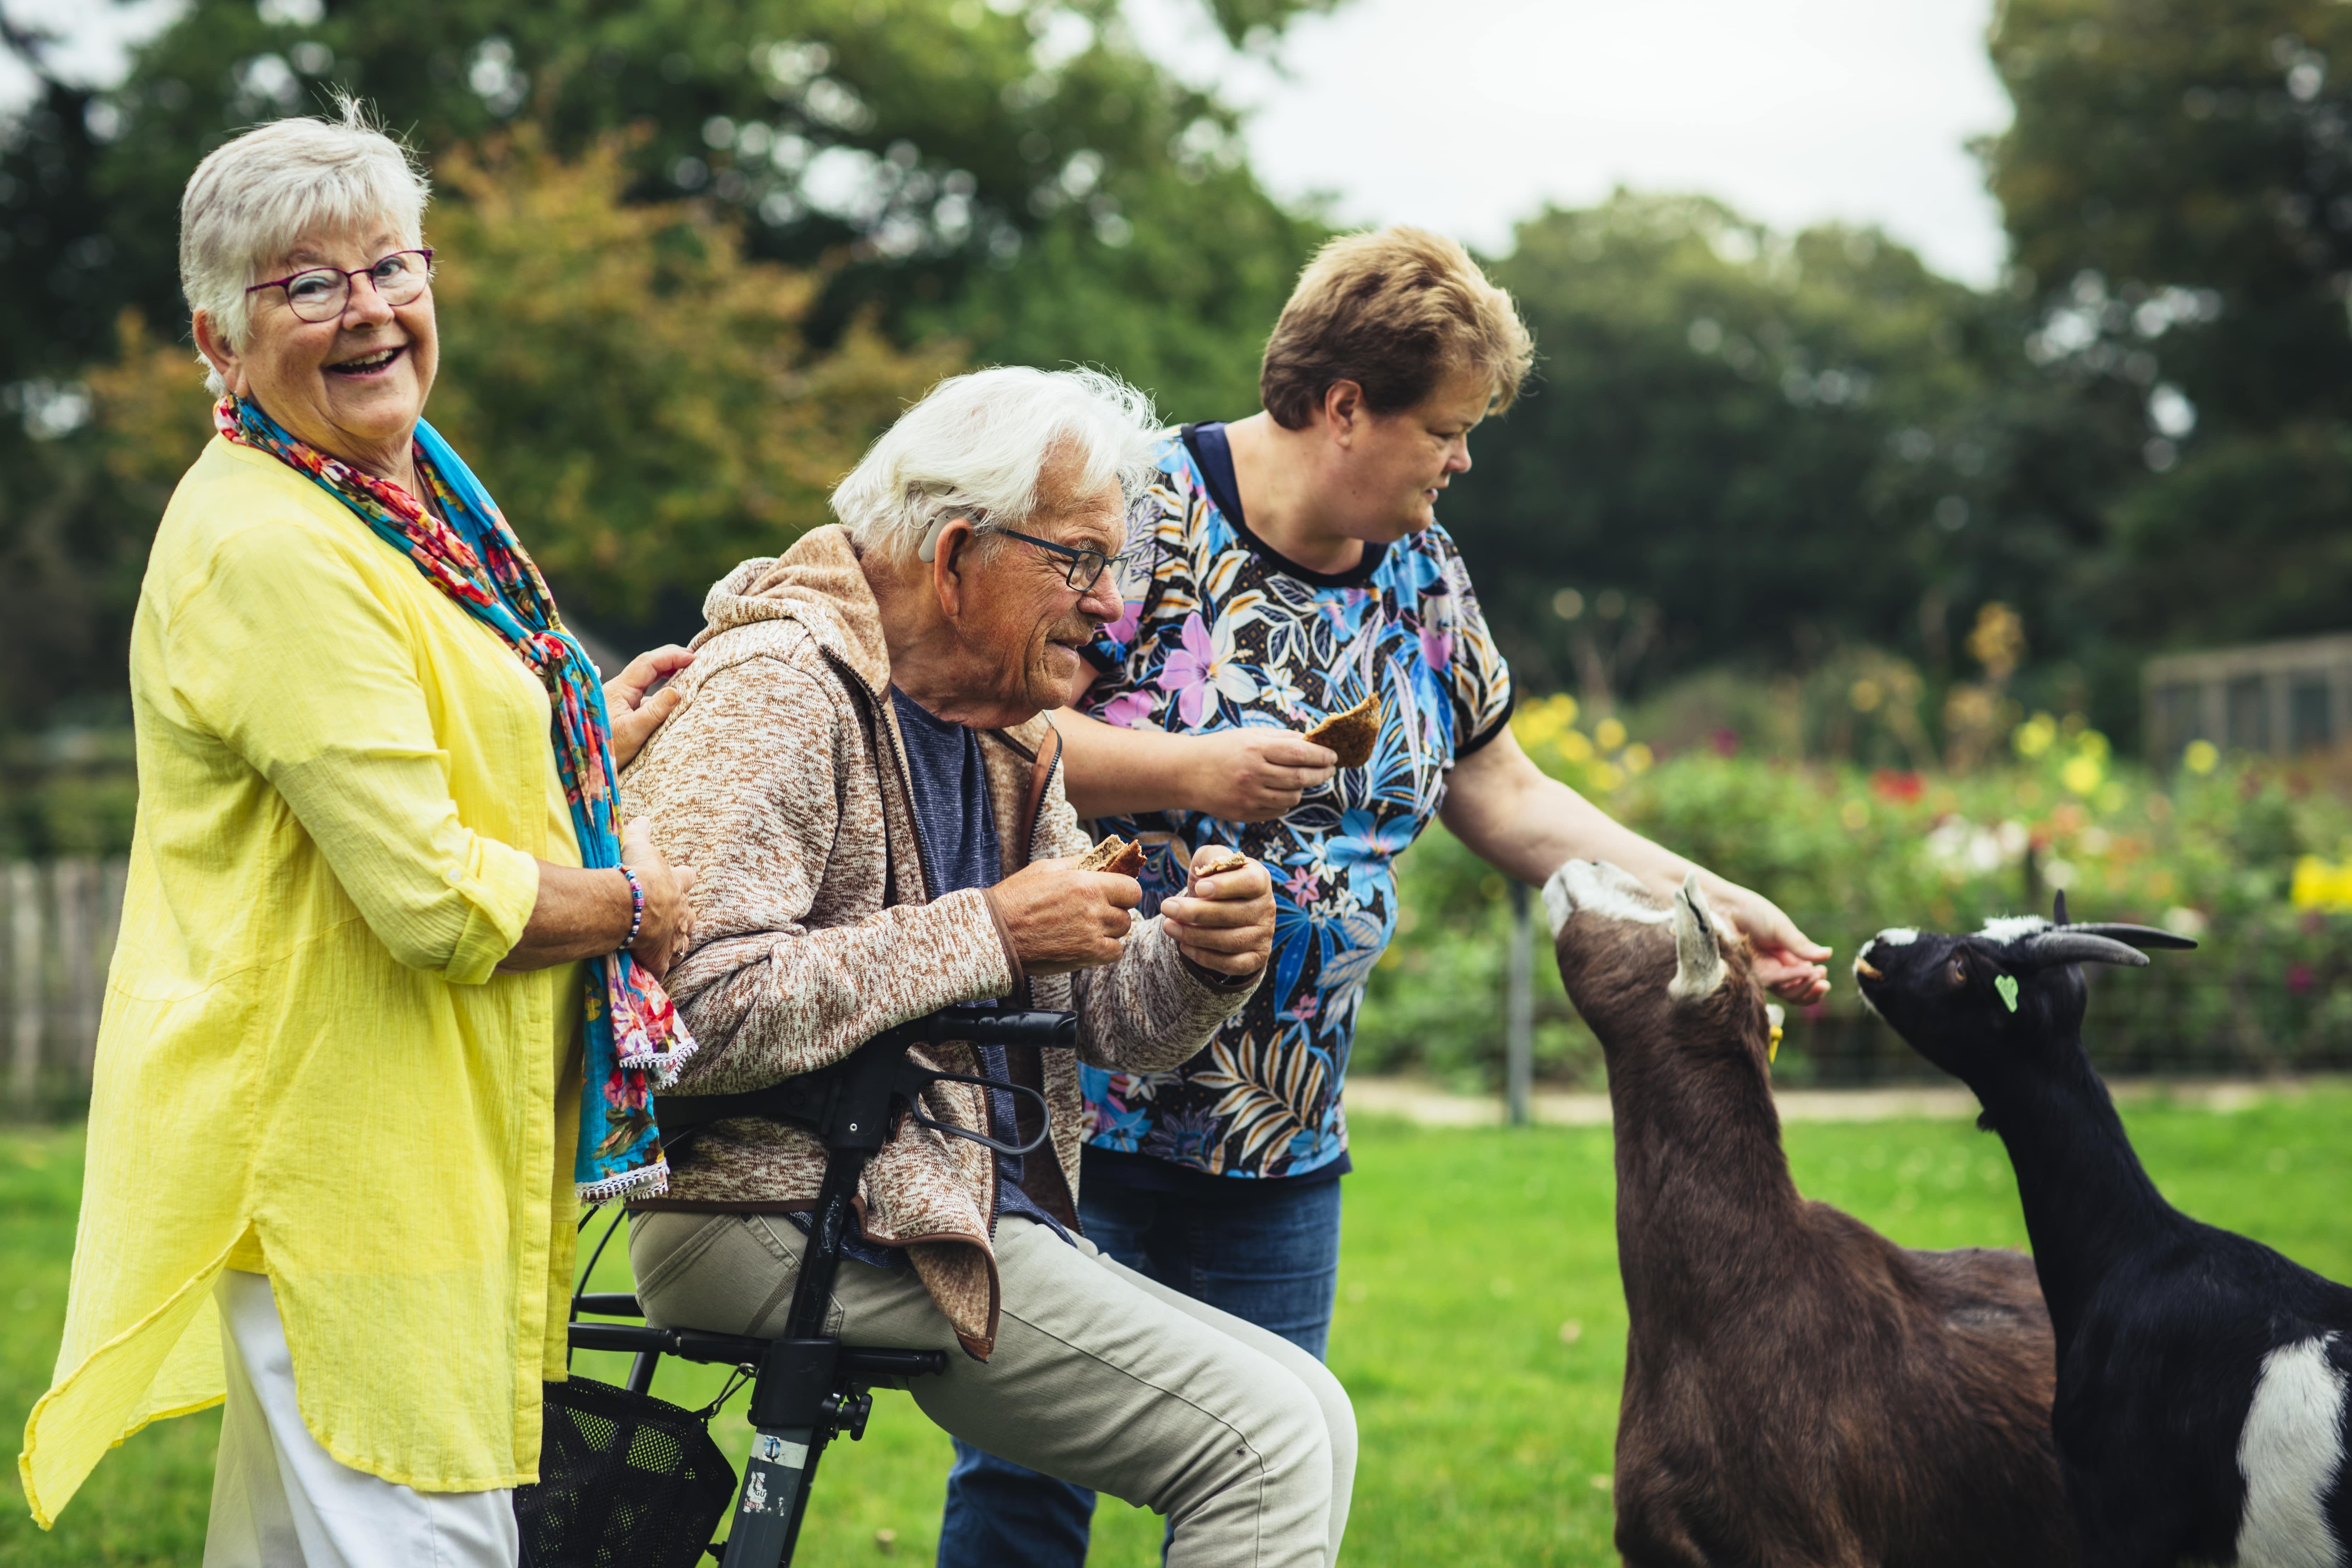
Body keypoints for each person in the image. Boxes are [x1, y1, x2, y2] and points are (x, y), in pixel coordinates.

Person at [938, 226, 1836, 1562]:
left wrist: (1717, 903)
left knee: (1272, 1480)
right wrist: (1194, 767)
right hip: (1082, 1114)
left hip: (1285, 1144)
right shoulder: (1139, 516)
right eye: (1448, 427)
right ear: (1345, 404)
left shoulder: (1424, 571)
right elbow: (986, 729)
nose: (1463, 459)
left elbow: (1509, 795)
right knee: (1025, 1502)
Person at [16, 105, 702, 1566]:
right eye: (306, 284)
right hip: (345, 1144)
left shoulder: (401, 490)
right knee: (423, 1522)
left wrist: (585, 736)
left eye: (392, 265)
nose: (370, 311)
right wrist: (635, 905)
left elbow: (411, 752)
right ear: (217, 338)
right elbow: (436, 898)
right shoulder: (275, 541)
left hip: (403, 1127)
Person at [620, 365, 1355, 1568]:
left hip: (907, 1205)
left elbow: (1106, 1022)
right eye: (1081, 561)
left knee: (1311, 1412)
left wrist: (1200, 958)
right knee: (1263, 1443)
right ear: (959, 553)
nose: (1112, 607)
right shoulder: (775, 693)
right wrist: (992, 930)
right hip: (758, 1209)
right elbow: (680, 1015)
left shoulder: (1009, 730)